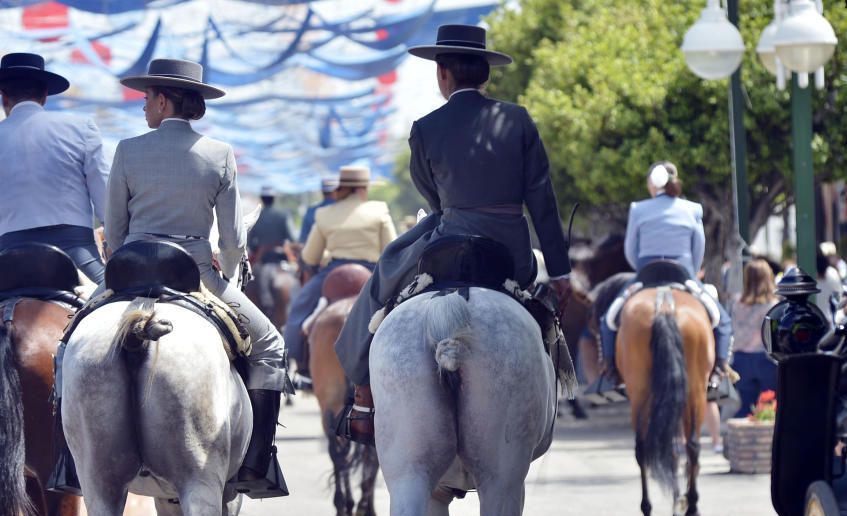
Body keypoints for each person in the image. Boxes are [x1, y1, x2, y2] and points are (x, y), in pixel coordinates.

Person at [333, 24, 572, 444]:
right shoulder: (517, 119)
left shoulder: (425, 127)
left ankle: (362, 393)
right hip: (511, 253)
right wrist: (561, 269)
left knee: (383, 279)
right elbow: (542, 200)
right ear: (485, 73)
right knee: (546, 311)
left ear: (443, 73)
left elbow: (431, 194)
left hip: (450, 237)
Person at [106, 58, 290, 497]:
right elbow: (230, 240)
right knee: (270, 346)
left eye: (146, 97)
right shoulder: (219, 154)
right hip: (196, 275)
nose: (142, 105)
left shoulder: (127, 150)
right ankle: (256, 461)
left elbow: (114, 232)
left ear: (164, 100)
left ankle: (65, 461)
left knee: (69, 340)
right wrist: (225, 266)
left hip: (129, 272)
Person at [0, 53, 108, 282]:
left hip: (10, 261)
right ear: (45, 95)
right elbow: (108, 207)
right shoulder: (82, 129)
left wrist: (13, 242)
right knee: (119, 308)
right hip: (78, 258)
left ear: (3, 96)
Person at [593, 161, 734, 393]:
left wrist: (640, 268)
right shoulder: (693, 209)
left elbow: (631, 249)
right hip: (683, 272)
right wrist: (692, 271)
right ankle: (719, 370)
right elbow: (698, 247)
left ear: (651, 184)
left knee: (608, 320)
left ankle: (609, 372)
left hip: (647, 272)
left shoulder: (638, 208)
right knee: (722, 319)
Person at [284, 165, 396, 378]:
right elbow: (391, 249)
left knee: (299, 309)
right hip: (371, 273)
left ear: (342, 187)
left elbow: (309, 257)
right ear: (363, 188)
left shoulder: (324, 214)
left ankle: (298, 361)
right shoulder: (379, 211)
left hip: (334, 273)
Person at [731, 258, 779, 418]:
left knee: (746, 406)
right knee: (769, 406)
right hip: (765, 359)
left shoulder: (737, 302)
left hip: (741, 358)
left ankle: (743, 440)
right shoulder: (772, 305)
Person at [247, 186, 294, 263]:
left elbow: (250, 242)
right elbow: (292, 238)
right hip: (281, 257)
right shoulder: (283, 215)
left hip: (262, 258)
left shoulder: (256, 216)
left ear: (261, 198)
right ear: (274, 198)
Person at [298, 177, 338, 244]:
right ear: (337, 191)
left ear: (322, 192)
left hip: (316, 252)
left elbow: (303, 240)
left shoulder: (311, 212)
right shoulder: (345, 211)